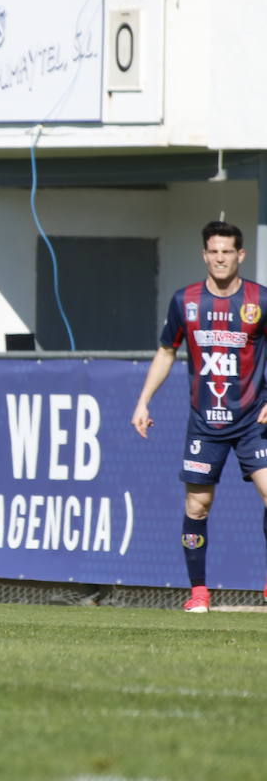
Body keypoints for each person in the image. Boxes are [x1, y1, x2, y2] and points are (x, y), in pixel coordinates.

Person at [131, 220, 267, 613]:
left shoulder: (259, 299)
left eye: (228, 251)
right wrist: (143, 401)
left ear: (240, 255)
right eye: (214, 251)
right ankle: (199, 593)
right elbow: (166, 351)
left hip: (252, 420)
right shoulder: (185, 301)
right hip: (205, 423)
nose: (221, 258)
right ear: (204, 255)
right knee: (197, 507)